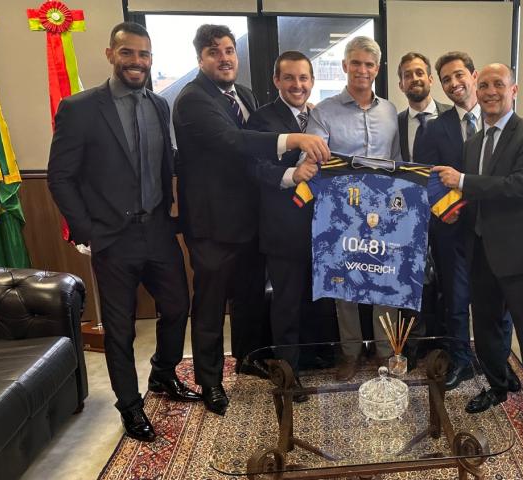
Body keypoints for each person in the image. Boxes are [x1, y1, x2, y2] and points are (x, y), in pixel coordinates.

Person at [47, 22, 200, 442]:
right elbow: (60, 176)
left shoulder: (158, 106)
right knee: (121, 329)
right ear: (110, 54)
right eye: (128, 53)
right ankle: (130, 407)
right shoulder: (79, 108)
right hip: (111, 238)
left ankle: (163, 376)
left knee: (177, 306)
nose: (137, 62)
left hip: (157, 231)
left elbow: (166, 164)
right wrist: (86, 231)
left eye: (145, 55)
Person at [172, 24, 329, 415]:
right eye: (214, 52)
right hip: (212, 224)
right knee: (210, 306)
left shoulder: (240, 94)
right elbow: (233, 142)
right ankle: (209, 381)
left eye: (229, 50)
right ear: (200, 58)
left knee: (248, 299)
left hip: (249, 221)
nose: (224, 57)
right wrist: (293, 141)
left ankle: (247, 358)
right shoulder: (192, 99)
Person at [434, 63, 523, 439]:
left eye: (497, 84)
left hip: (520, 256)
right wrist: (454, 211)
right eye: (482, 85)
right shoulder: (472, 144)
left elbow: (519, 187)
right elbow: (474, 196)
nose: (489, 91)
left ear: (513, 89)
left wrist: (464, 181)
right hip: (480, 250)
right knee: (484, 328)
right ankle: (498, 386)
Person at [414, 52, 519, 392]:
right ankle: (460, 360)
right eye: (445, 79)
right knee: (457, 302)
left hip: (496, 231)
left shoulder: (501, 119)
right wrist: (448, 208)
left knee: (498, 305)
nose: (453, 83)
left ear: (473, 76)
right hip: (453, 230)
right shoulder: (434, 129)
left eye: (459, 75)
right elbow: (427, 179)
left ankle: (499, 365)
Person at [303, 35, 400, 380]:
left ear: (377, 69)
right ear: (344, 66)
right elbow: (310, 160)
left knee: (384, 284)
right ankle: (350, 353)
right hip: (341, 214)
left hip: (385, 215)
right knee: (345, 287)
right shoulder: (324, 112)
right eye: (355, 63)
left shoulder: (390, 111)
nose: (362, 70)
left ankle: (385, 352)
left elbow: (397, 161)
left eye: (369, 64)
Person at [245, 51, 318, 401]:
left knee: (311, 302)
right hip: (282, 229)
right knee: (286, 304)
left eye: (303, 78)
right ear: (276, 81)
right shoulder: (261, 119)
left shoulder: (317, 117)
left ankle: (312, 359)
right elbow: (252, 170)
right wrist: (291, 175)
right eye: (289, 78)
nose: (297, 85)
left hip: (320, 229)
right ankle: (287, 377)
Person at [395, 52, 451, 161]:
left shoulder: (452, 115)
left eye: (419, 73)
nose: (415, 79)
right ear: (401, 86)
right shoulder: (396, 124)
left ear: (430, 80)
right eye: (407, 75)